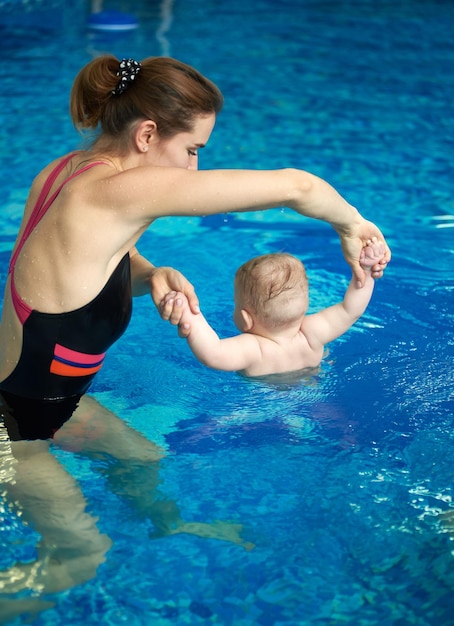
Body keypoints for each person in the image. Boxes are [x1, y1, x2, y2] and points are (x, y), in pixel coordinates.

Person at [0, 53, 390, 608]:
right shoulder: (123, 191)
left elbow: (77, 263)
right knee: (81, 557)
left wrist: (153, 273)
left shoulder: (68, 173)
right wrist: (352, 224)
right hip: (12, 428)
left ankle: (168, 529)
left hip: (50, 400)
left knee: (144, 463)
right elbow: (297, 187)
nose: (192, 171)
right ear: (147, 134)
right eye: (192, 151)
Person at [168, 238, 385, 377]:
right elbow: (351, 309)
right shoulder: (312, 334)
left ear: (245, 319)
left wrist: (187, 311)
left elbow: (212, 353)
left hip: (263, 403)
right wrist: (365, 272)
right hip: (312, 386)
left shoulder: (254, 349)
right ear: (305, 305)